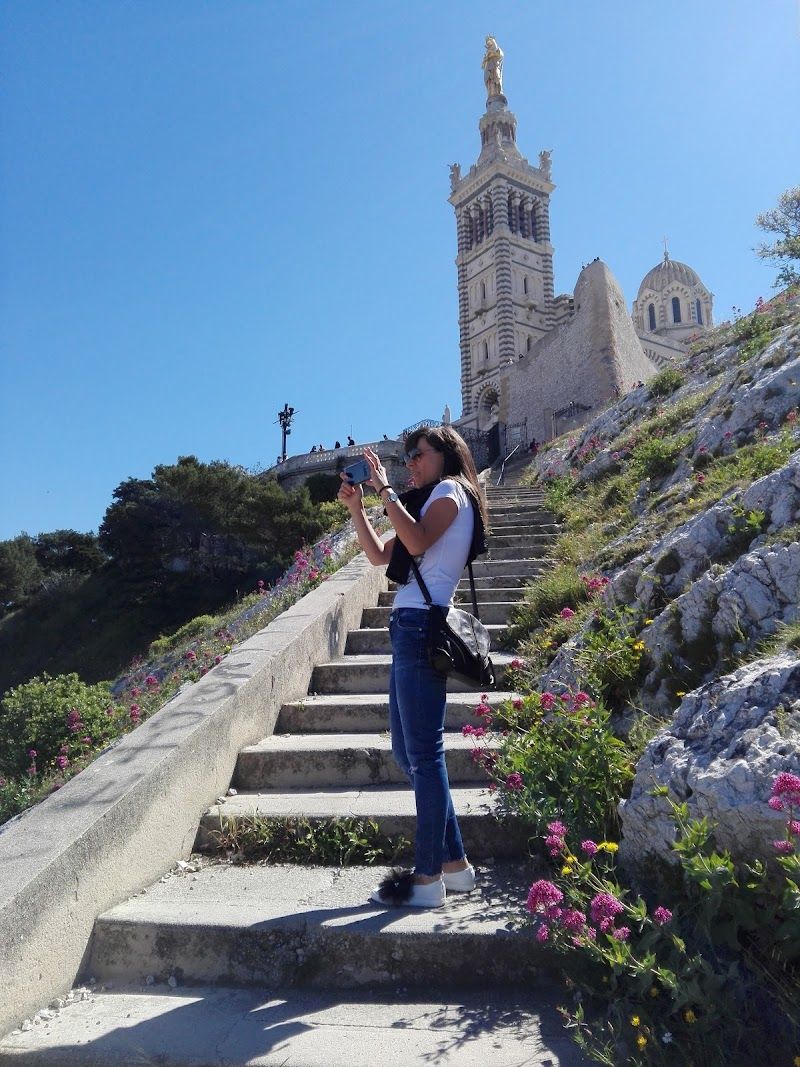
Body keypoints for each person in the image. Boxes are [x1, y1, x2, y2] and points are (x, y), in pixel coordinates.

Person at [338, 426, 489, 908]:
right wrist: (358, 510)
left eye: (417, 455)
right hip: (409, 625)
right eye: (406, 458)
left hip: (422, 625)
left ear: (445, 454)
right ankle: (456, 866)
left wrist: (384, 490)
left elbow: (419, 542)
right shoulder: (426, 498)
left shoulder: (450, 492)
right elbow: (383, 555)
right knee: (410, 754)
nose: (410, 464)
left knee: (424, 754)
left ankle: (426, 880)